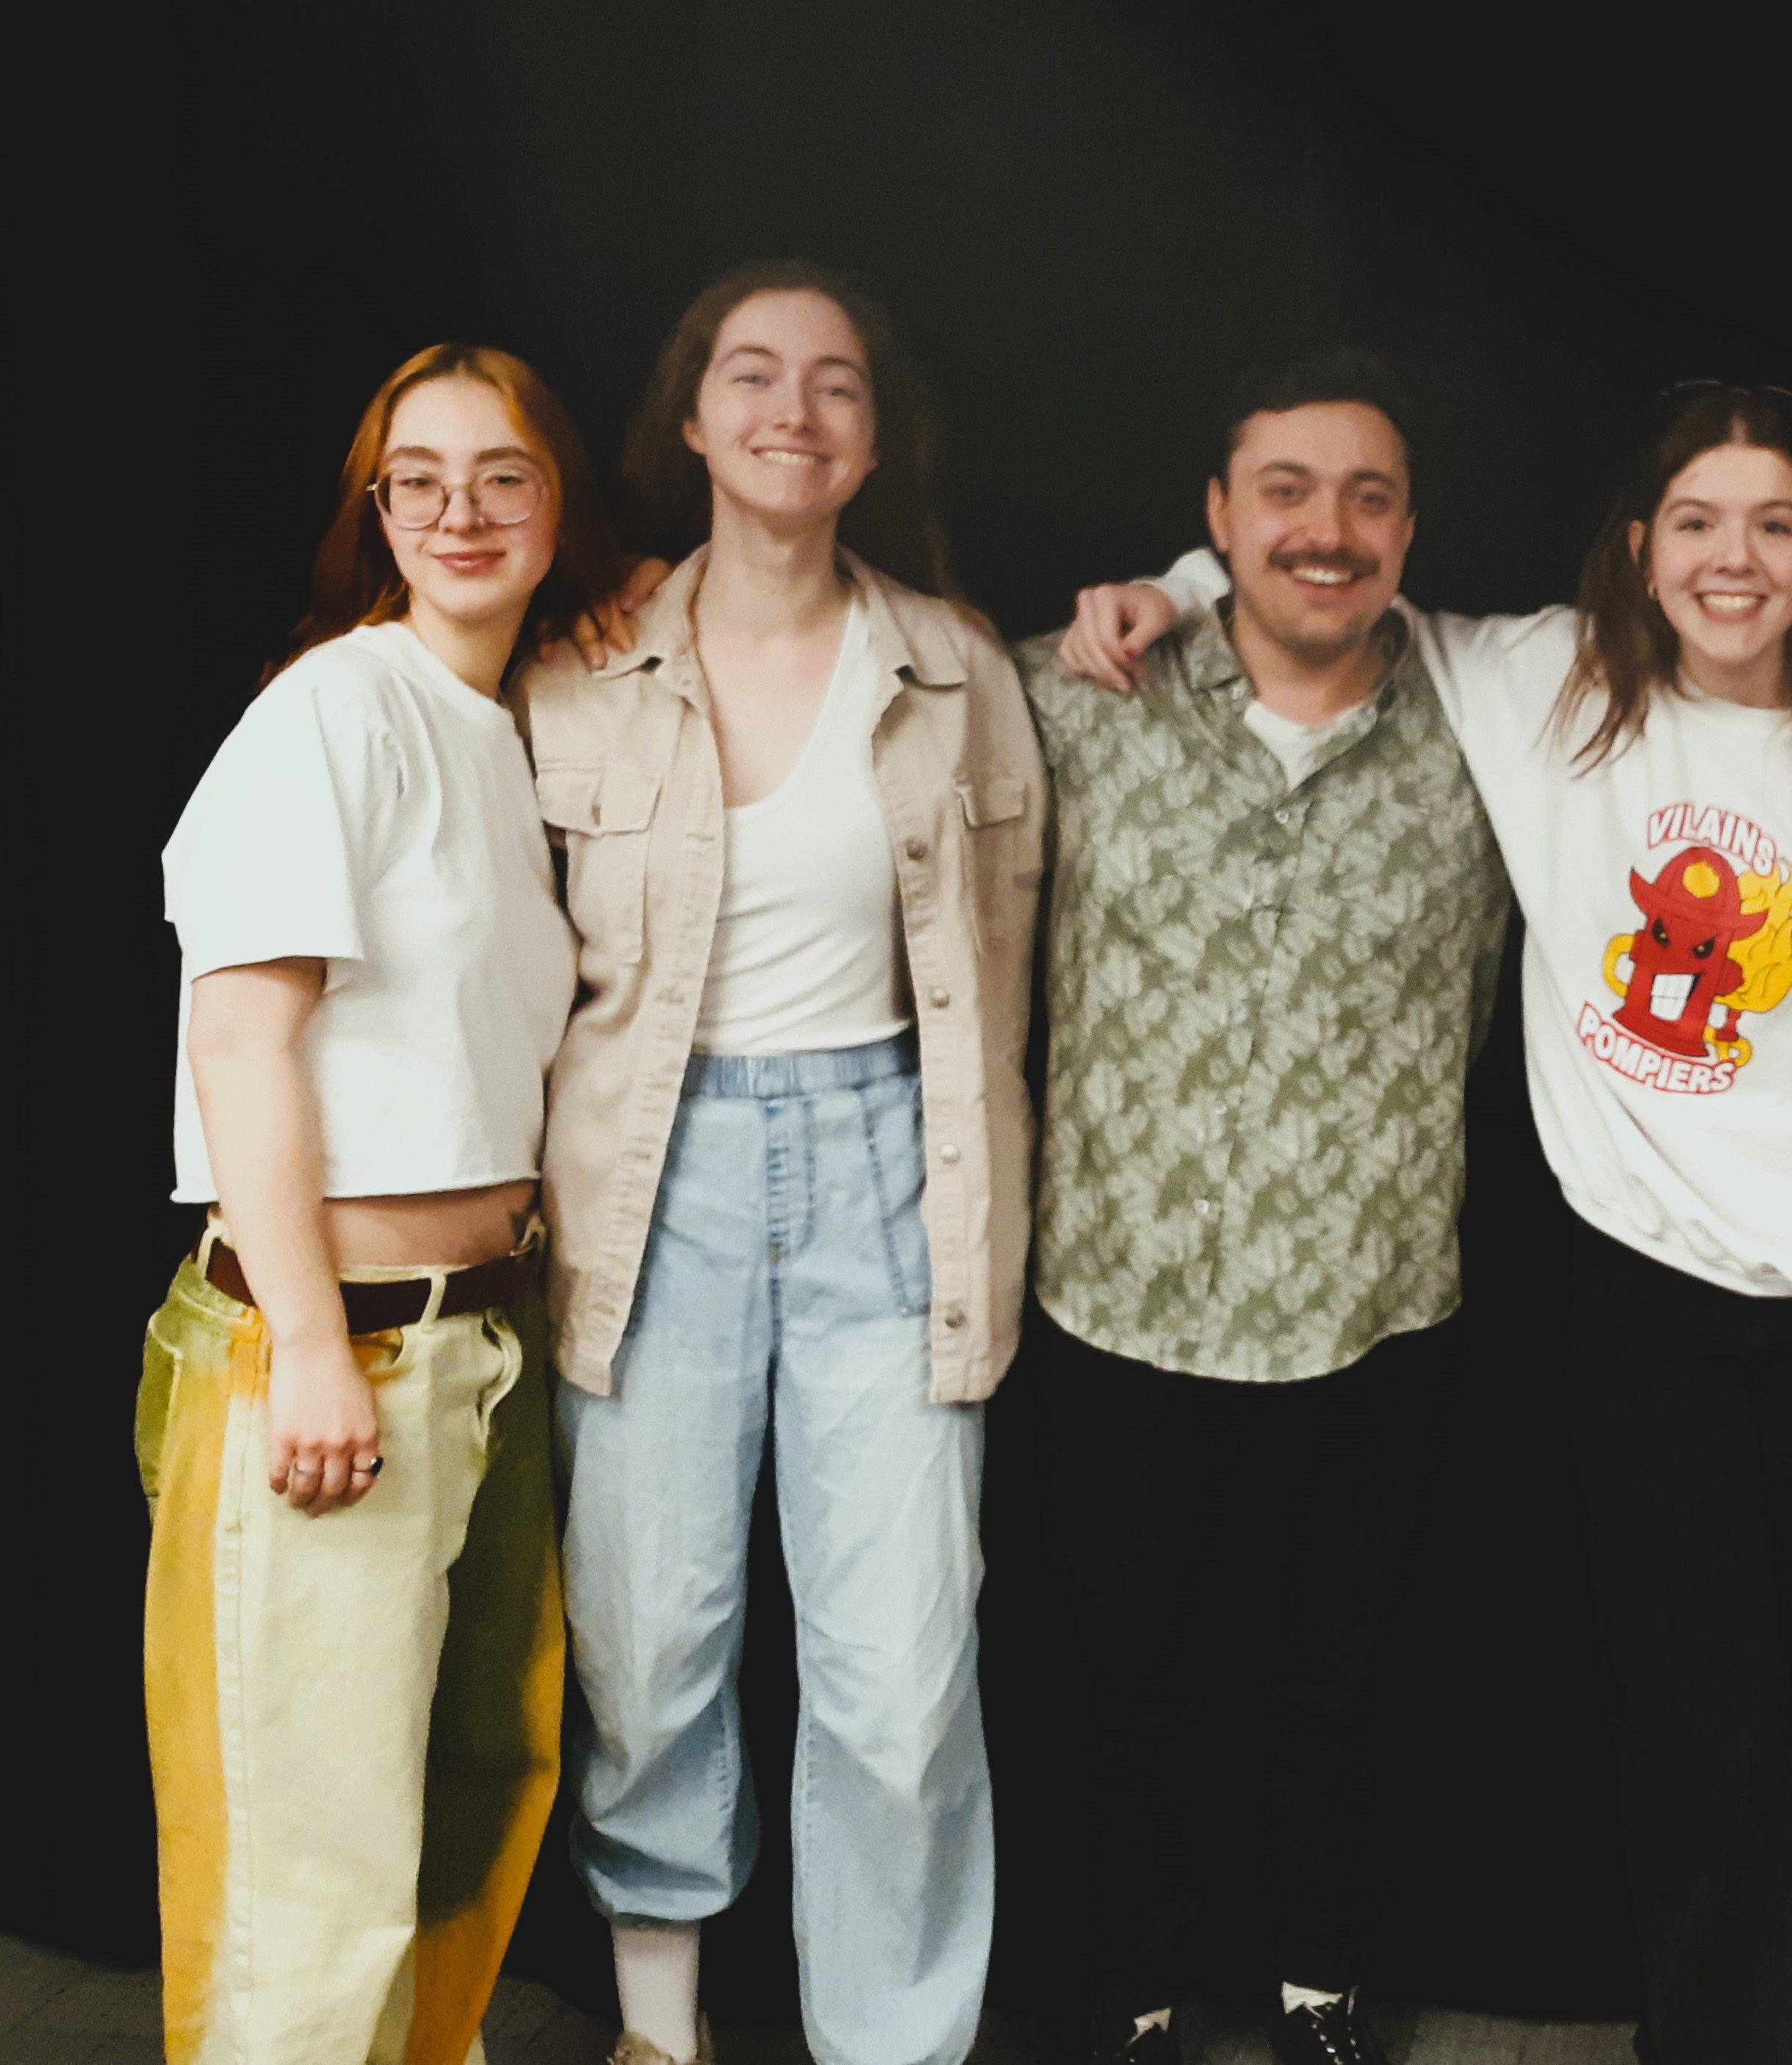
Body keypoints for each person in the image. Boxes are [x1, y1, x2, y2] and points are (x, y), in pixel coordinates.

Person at [1068, 381, 1792, 2065]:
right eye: (1696, 521)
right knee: (1688, 1730)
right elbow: (1319, 581)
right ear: (1638, 546)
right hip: (1649, 1302)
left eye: (1771, 525)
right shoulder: (1540, 685)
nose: (1732, 559)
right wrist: (1173, 588)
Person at [523, 262, 1046, 2065]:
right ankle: (658, 2038)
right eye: (751, 375)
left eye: (833, 384)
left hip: (891, 1172)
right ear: (691, 417)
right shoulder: (581, 666)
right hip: (647, 1190)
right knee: (649, 1644)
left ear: (871, 433)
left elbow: (1013, 952)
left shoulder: (956, 664)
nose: (791, 411)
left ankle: (889, 2044)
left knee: (903, 1677)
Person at [1018, 348, 1508, 2065]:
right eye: (1283, 492)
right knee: (1131, 1693)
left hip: (1370, 1309)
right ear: (1216, 522)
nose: (1329, 527)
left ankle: (1320, 1990)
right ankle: (1137, 1994)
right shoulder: (1076, 698)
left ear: (1409, 529)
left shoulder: (1495, 735)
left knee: (1343, 1693)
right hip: (1119, 1298)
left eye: (1368, 495)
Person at [140, 342, 611, 2065]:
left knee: (469, 1815)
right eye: (417, 477)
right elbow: (241, 1040)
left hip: (482, 1348)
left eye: (503, 474)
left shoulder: (502, 732)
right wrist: (314, 1347)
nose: (460, 510)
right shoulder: (337, 706)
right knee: (310, 1882)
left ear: (558, 504)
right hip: (333, 1349)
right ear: (375, 510)